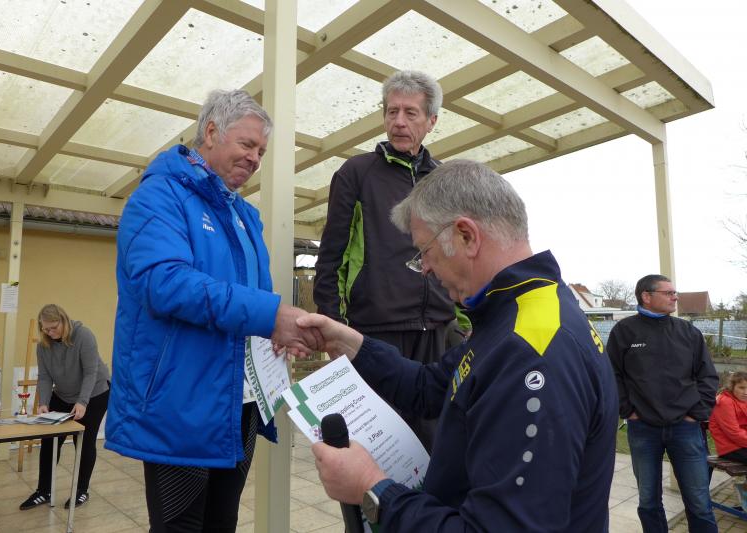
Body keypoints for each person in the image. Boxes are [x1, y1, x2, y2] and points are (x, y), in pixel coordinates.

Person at [298, 159, 618, 531]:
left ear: (466, 236)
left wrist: (374, 490)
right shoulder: (516, 313)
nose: (425, 268)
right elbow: (429, 387)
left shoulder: (530, 351)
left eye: (424, 251)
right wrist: (349, 341)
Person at [105, 88, 319, 533]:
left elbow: (253, 299)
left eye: (261, 151)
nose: (255, 158)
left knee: (223, 522)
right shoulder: (159, 196)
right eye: (247, 144)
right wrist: (269, 314)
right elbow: (164, 284)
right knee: (180, 525)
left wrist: (275, 332)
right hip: (181, 402)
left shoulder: (245, 217)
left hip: (238, 401)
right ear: (211, 132)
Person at [314, 70, 460, 452]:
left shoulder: (443, 179)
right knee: (379, 449)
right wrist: (333, 329)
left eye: (411, 113)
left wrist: (466, 323)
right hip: (375, 333)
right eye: (392, 111)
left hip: (438, 333)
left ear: (431, 121)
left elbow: (459, 256)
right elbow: (330, 257)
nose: (399, 121)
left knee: (435, 448)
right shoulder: (356, 173)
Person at [607, 274, 719, 532]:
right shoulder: (624, 331)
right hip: (643, 428)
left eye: (674, 292)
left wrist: (696, 413)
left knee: (699, 502)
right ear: (646, 296)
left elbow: (707, 376)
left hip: (685, 428)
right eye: (668, 293)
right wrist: (628, 411)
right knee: (648, 502)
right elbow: (612, 375)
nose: (675, 297)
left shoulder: (688, 332)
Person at [19, 304, 110, 511]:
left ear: (64, 321)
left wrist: (82, 402)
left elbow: (90, 372)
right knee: (50, 441)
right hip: (62, 395)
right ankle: (44, 491)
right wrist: (43, 403)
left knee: (84, 441)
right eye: (45, 329)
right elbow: (44, 376)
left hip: (94, 393)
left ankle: (81, 490)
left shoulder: (84, 336)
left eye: (54, 328)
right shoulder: (43, 345)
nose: (50, 332)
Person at [709, 371, 747, 508]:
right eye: (741, 387)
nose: (746, 392)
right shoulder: (725, 402)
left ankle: (745, 496)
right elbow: (734, 433)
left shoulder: (743, 401)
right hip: (730, 448)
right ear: (732, 387)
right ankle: (745, 497)